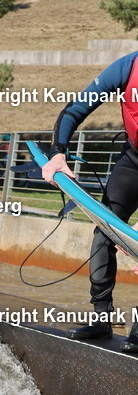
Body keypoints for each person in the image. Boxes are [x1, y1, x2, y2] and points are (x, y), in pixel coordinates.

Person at [41, 52, 138, 350]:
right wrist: (58, 152)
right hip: (134, 160)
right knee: (104, 234)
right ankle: (101, 319)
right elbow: (74, 109)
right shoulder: (129, 66)